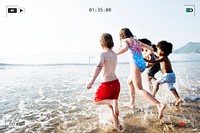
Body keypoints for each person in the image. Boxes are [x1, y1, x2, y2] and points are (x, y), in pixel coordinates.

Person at [116, 28, 166, 119]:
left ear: (122, 35)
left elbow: (125, 48)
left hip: (135, 65)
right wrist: (143, 57)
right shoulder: (137, 41)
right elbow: (151, 49)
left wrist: (114, 53)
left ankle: (159, 104)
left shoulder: (125, 40)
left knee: (139, 89)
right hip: (142, 65)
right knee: (129, 81)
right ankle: (132, 103)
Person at [86, 33, 123, 131]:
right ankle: (117, 126)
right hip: (116, 83)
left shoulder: (102, 54)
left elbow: (99, 66)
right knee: (110, 106)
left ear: (102, 44)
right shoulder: (114, 54)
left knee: (96, 100)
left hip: (107, 84)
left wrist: (91, 81)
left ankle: (112, 101)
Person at [145, 40, 182, 106]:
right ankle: (177, 98)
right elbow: (157, 55)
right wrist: (153, 52)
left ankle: (153, 96)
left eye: (158, 49)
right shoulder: (164, 57)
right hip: (172, 75)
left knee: (156, 83)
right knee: (171, 87)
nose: (157, 50)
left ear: (162, 51)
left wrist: (145, 59)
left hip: (167, 75)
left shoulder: (163, 58)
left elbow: (154, 61)